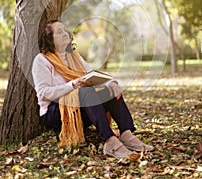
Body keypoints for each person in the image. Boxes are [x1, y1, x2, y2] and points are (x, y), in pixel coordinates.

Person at [32, 20, 153, 160]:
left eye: (65, 30)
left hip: (81, 108)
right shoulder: (42, 60)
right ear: (49, 38)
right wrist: (73, 85)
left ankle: (126, 134)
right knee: (85, 91)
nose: (65, 33)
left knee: (110, 91)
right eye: (59, 32)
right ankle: (110, 142)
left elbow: (92, 75)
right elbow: (44, 92)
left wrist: (111, 82)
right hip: (55, 113)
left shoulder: (74, 56)